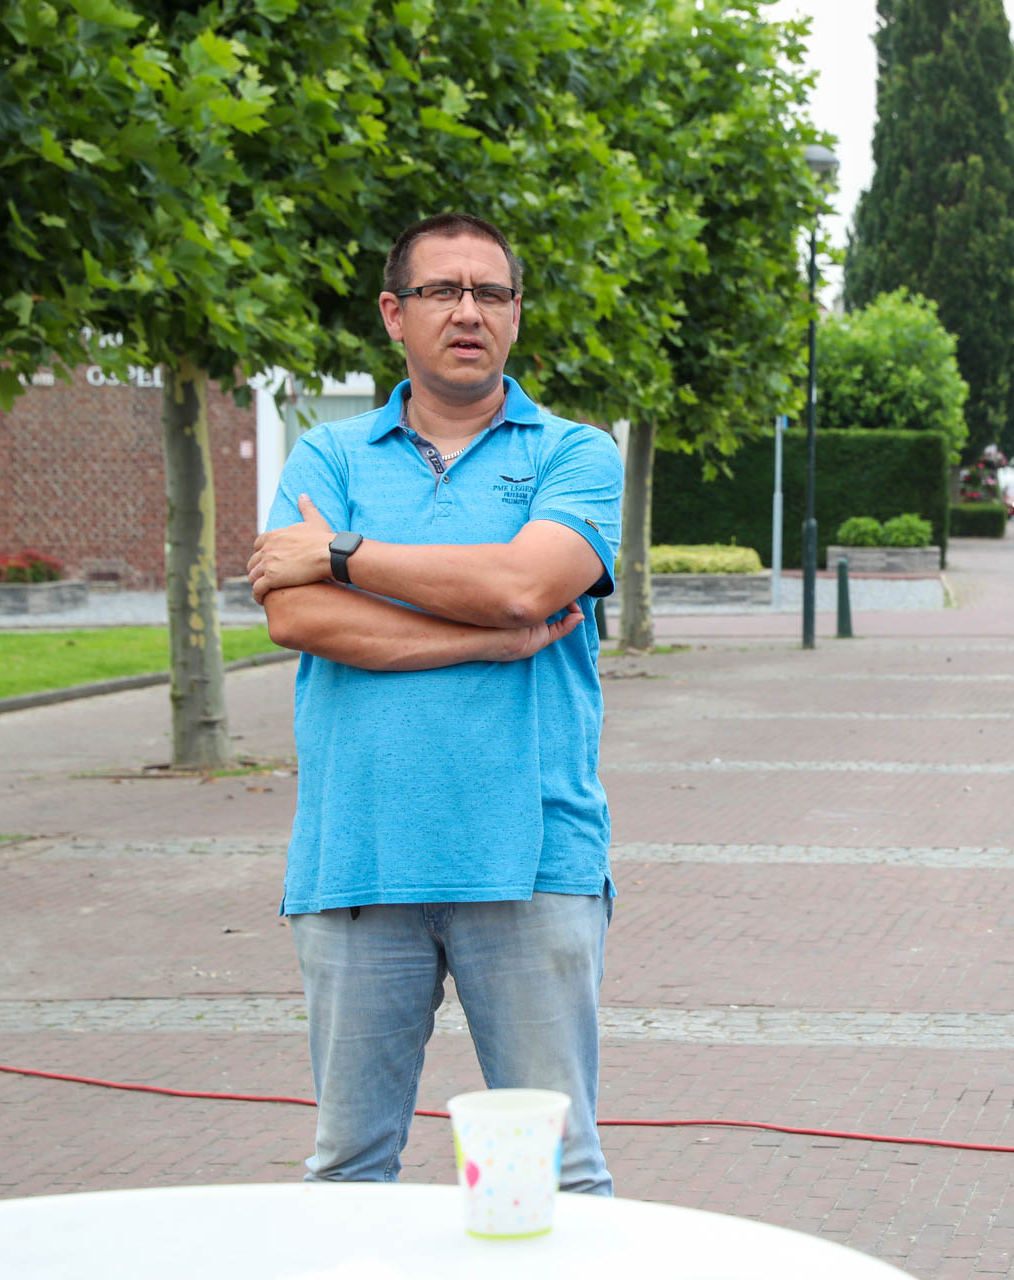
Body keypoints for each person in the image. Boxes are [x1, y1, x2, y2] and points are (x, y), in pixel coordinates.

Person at [247, 212, 622, 1195]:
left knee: (558, 1175)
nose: (468, 311)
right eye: (442, 291)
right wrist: (485, 640)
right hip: (358, 859)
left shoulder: (574, 454)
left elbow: (525, 587)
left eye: (491, 292)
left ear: (515, 314)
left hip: (533, 862)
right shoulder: (328, 456)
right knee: (349, 1169)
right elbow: (297, 617)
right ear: (393, 314)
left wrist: (343, 555)